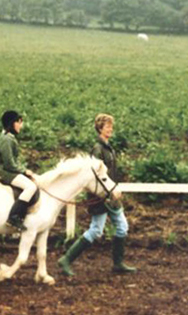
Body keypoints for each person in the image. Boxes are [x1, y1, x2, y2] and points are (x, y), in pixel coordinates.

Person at [58, 113, 136, 277]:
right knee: (95, 230)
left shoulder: (109, 148)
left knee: (122, 227)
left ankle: (118, 263)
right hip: (100, 198)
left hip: (111, 196)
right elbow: (95, 176)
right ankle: (66, 259)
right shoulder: (98, 149)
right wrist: (106, 194)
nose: (110, 129)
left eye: (111, 126)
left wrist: (113, 190)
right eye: (107, 126)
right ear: (100, 128)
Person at [0, 110, 37, 230]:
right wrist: (24, 171)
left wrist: (23, 170)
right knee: (31, 187)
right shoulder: (6, 140)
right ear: (12, 123)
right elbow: (9, 164)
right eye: (19, 122)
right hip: (5, 171)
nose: (21, 126)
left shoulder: (9, 138)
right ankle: (13, 217)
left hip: (9, 169)